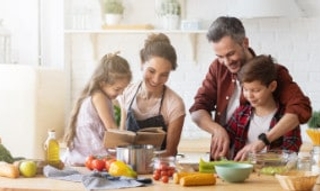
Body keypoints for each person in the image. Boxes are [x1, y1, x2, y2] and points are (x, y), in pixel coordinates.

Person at [189, 16, 311, 161]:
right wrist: (217, 130)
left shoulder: (272, 72)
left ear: (245, 43)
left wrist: (264, 141)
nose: (226, 62)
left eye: (230, 54)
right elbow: (197, 109)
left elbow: (300, 107)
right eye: (220, 56)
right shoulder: (218, 68)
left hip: (266, 165)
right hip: (227, 161)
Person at [118, 33, 186, 157]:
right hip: (127, 170)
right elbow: (122, 141)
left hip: (159, 171)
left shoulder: (174, 104)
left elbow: (170, 152)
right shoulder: (127, 92)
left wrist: (140, 161)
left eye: (164, 75)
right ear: (142, 63)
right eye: (151, 71)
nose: (156, 80)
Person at [225, 55, 302, 161]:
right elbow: (226, 141)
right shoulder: (240, 114)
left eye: (256, 90)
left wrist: (258, 156)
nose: (249, 95)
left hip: (272, 175)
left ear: (272, 86)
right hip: (242, 175)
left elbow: (291, 153)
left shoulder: (286, 118)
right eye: (245, 89)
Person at [62, 52, 132, 166]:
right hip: (85, 161)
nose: (121, 93)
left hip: (86, 159)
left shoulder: (101, 96)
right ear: (102, 83)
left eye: (123, 89)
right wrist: (124, 111)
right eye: (117, 89)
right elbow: (112, 130)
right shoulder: (99, 97)